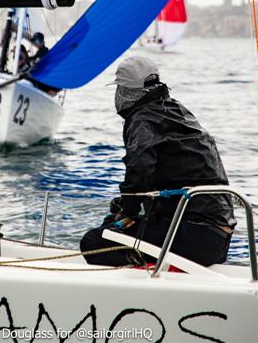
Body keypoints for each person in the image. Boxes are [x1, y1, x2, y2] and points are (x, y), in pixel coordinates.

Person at [80, 56, 235, 267]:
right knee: (113, 224)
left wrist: (128, 209)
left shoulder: (143, 119)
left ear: (126, 91)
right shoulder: (176, 111)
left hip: (193, 234)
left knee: (93, 242)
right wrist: (127, 207)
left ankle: (145, 268)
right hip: (217, 237)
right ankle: (149, 261)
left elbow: (139, 171)